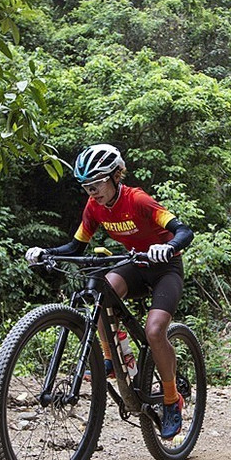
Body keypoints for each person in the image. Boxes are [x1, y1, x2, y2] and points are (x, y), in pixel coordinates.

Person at [25, 144, 194, 439]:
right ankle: (114, 359)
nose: (92, 191)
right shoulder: (94, 207)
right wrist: (46, 252)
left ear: (116, 176)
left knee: (155, 332)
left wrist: (168, 247)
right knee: (102, 291)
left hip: (165, 268)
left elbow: (184, 231)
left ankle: (171, 399)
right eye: (86, 186)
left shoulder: (138, 200)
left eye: (97, 183)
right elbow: (77, 246)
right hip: (135, 265)